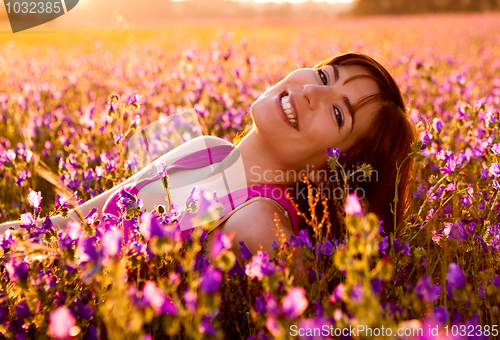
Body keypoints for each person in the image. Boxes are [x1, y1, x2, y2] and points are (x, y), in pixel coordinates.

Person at [0, 52, 416, 262]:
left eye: (338, 113)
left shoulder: (261, 224)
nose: (312, 90)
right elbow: (65, 225)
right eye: (325, 75)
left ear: (334, 172)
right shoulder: (204, 145)